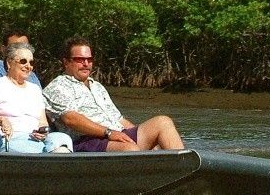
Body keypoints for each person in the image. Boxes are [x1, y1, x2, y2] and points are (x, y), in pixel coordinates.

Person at [43, 37, 185, 152]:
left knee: (162, 122)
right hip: (87, 141)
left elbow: (120, 120)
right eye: (80, 59)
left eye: (89, 59)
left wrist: (149, 140)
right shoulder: (58, 86)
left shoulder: (97, 86)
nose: (86, 63)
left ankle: (184, 173)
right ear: (66, 62)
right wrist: (109, 133)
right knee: (129, 149)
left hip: (116, 135)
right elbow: (71, 119)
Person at [0, 42, 72, 153]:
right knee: (44, 150)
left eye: (31, 62)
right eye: (23, 61)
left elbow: (43, 122)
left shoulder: (35, 90)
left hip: (35, 139)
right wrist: (0, 120)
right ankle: (49, 158)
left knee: (63, 139)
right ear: (9, 63)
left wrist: (43, 132)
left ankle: (50, 158)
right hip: (8, 138)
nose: (28, 66)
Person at [0, 29, 42, 97]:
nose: (22, 51)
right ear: (3, 49)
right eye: (16, 47)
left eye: (26, 47)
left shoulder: (31, 76)